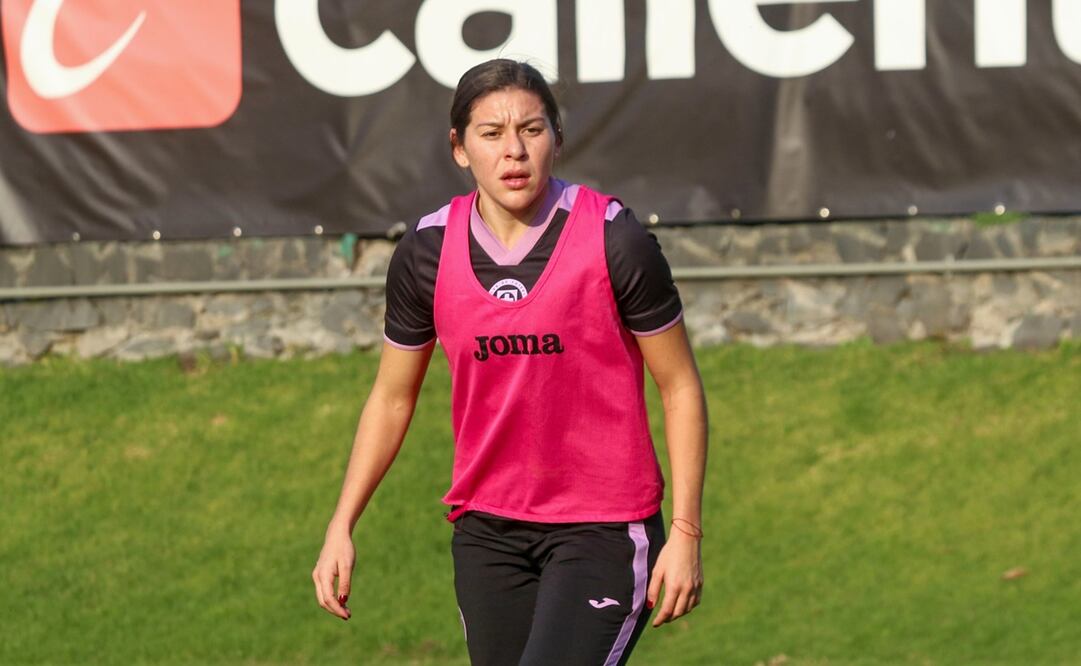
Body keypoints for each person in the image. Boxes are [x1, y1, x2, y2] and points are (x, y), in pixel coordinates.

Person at [312, 58, 708, 665]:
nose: (514, 151)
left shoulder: (614, 239)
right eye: (491, 134)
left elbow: (679, 385)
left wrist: (684, 532)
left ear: (558, 137)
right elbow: (392, 397)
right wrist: (342, 522)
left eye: (531, 129)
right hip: (487, 533)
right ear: (460, 148)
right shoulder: (425, 253)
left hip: (603, 528)